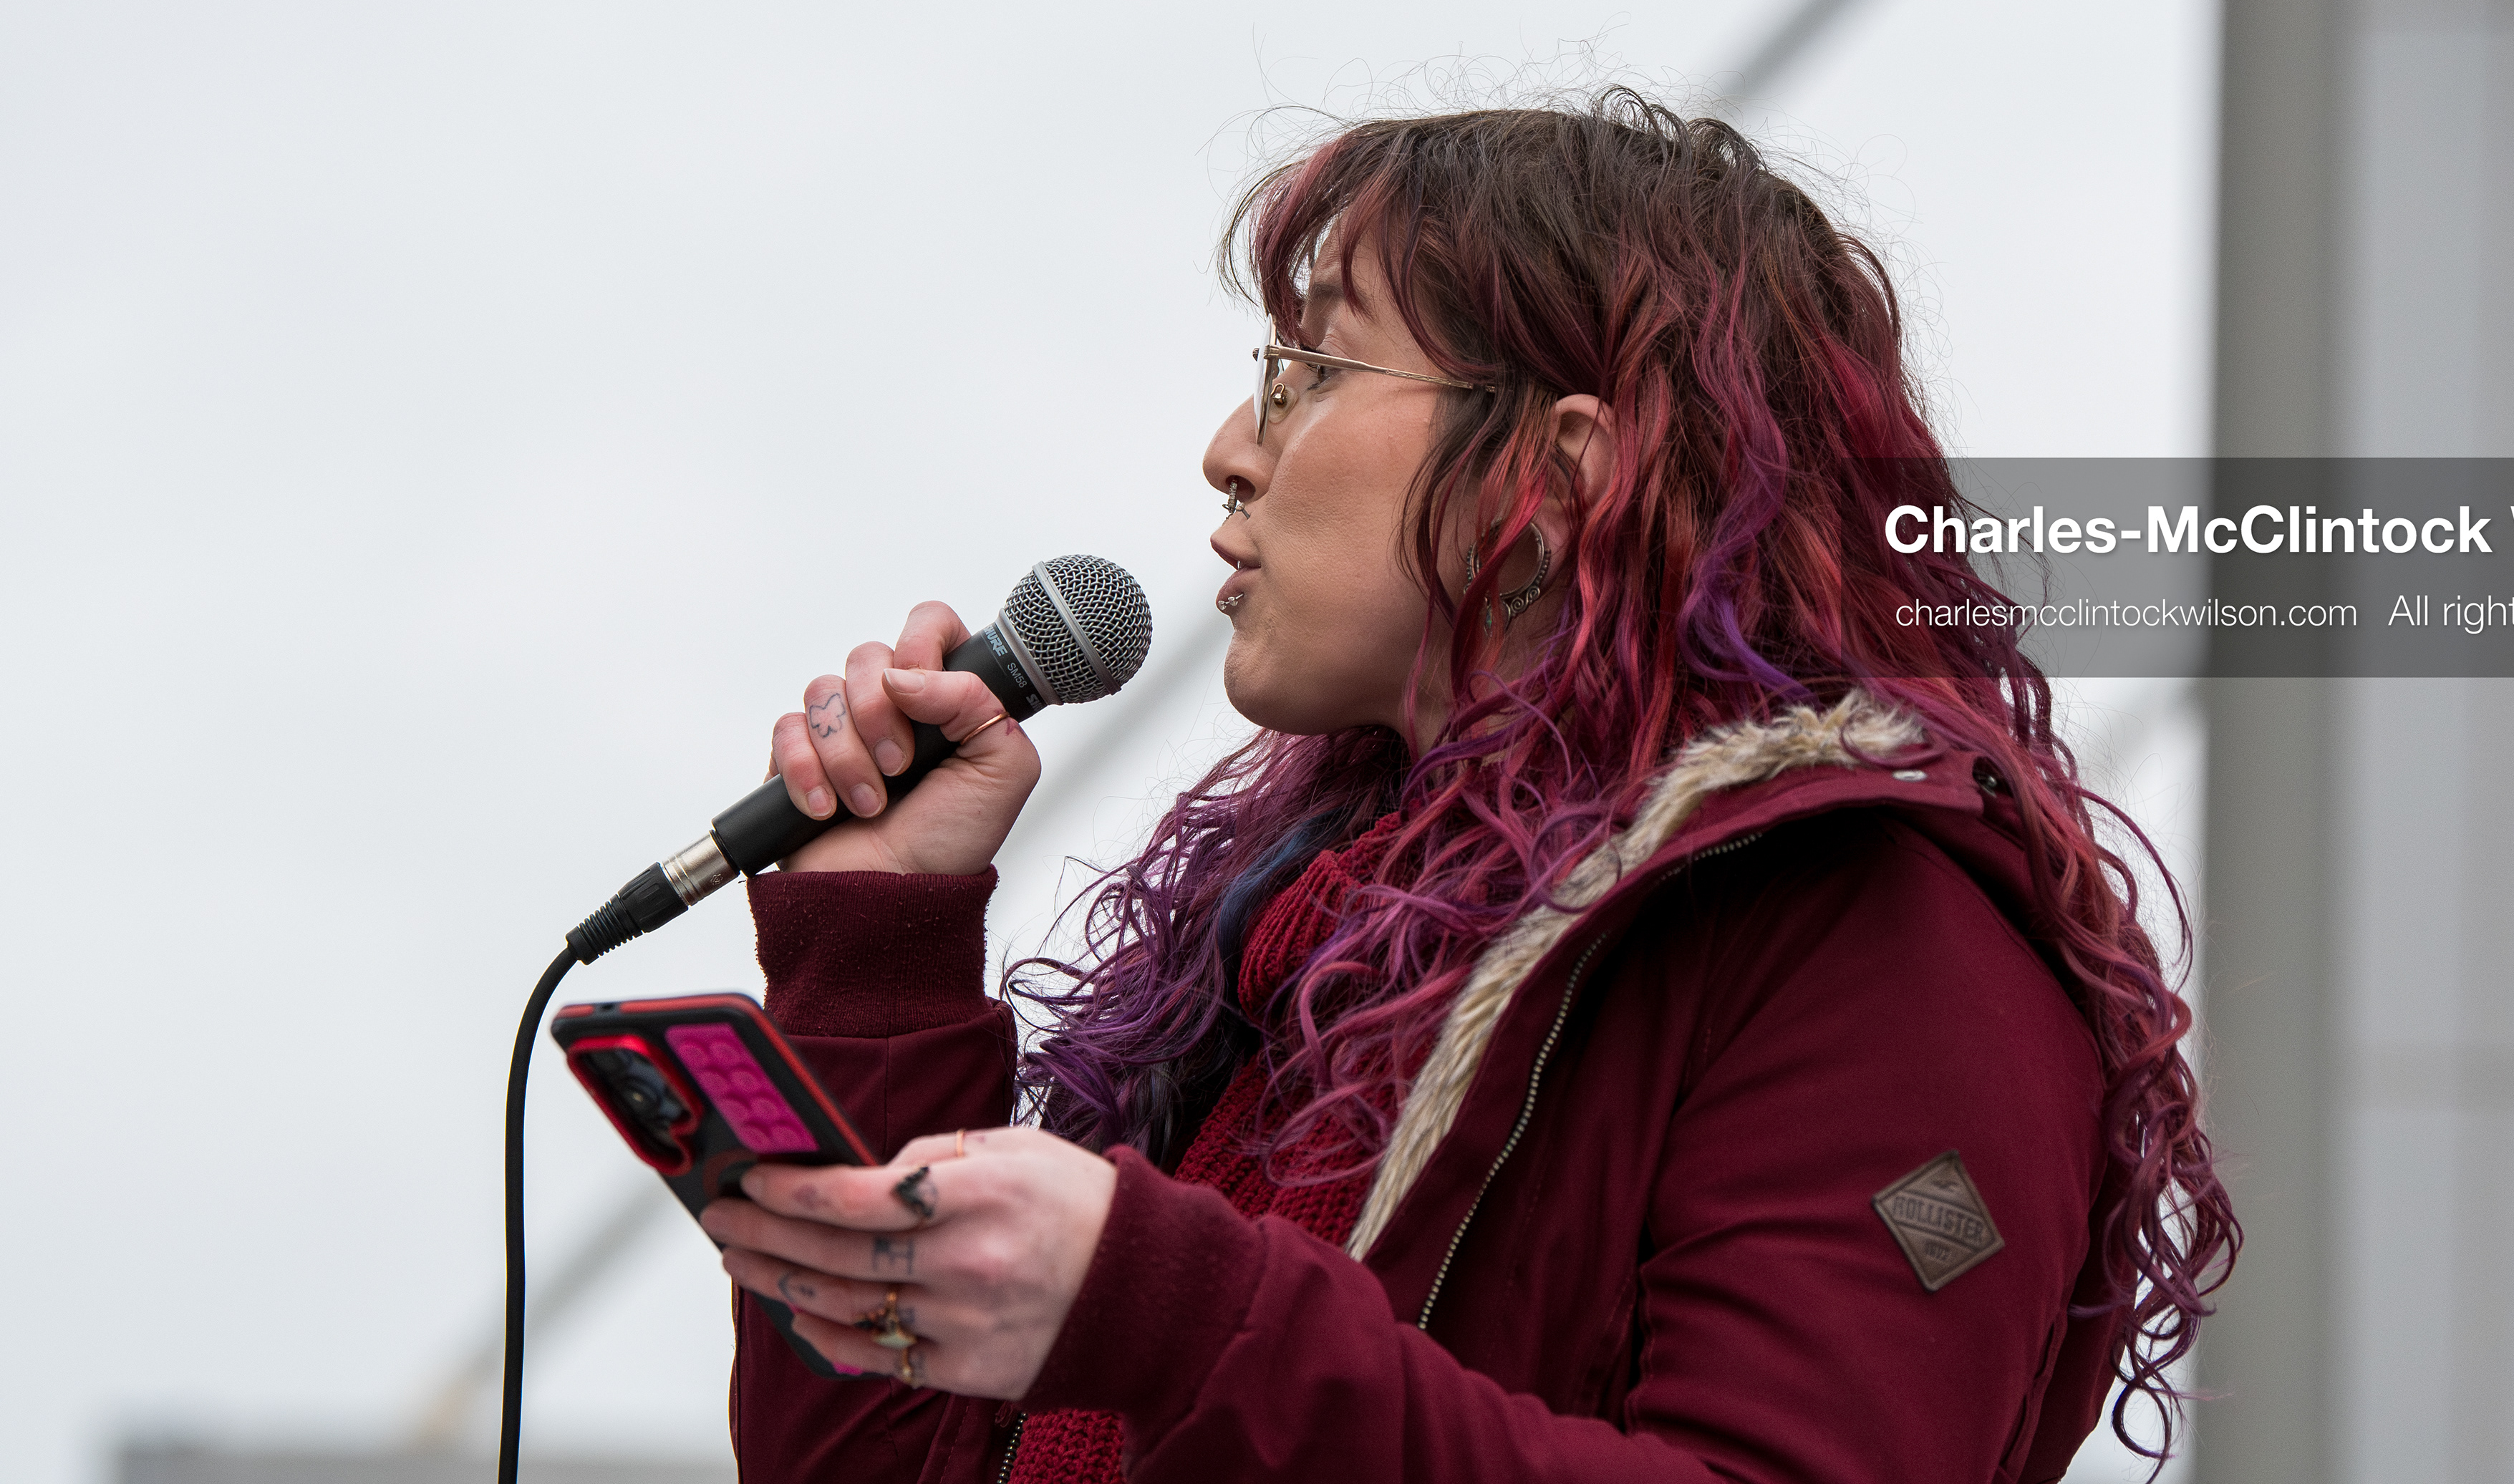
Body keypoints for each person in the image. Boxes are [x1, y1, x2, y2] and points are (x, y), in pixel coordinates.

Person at [700, 92, 2236, 1483]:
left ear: (1562, 473)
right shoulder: (1320, 947)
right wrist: (882, 955)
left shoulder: (1872, 929)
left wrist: (1171, 1307)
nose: (1230, 448)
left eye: (1306, 370)